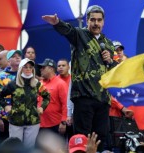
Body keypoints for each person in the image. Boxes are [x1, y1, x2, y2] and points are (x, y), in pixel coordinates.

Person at [42, 5, 117, 151]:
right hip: (83, 97)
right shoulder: (79, 35)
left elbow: (113, 72)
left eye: (99, 20)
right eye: (93, 20)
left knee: (100, 138)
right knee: (82, 139)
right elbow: (68, 30)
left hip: (103, 99)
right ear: (87, 21)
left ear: (103, 22)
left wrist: (110, 61)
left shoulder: (108, 43)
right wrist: (57, 22)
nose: (96, 23)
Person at [0, 58, 50, 148]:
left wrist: (42, 107)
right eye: (25, 67)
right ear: (21, 68)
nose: (28, 69)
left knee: (29, 148)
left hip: (33, 122)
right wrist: (6, 106)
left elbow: (47, 96)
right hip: (16, 121)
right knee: (15, 148)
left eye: (30, 67)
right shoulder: (13, 84)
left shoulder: (37, 84)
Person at [0, 50, 22, 143]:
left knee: (20, 146)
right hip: (6, 118)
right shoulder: (2, 76)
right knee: (5, 146)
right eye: (14, 56)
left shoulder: (25, 75)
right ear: (9, 61)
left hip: (22, 118)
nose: (17, 58)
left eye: (19, 56)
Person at [38, 58, 68, 135]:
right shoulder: (39, 84)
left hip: (55, 124)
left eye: (43, 67)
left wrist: (63, 122)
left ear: (51, 69)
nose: (41, 69)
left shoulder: (60, 83)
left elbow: (65, 104)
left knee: (57, 147)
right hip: (39, 124)